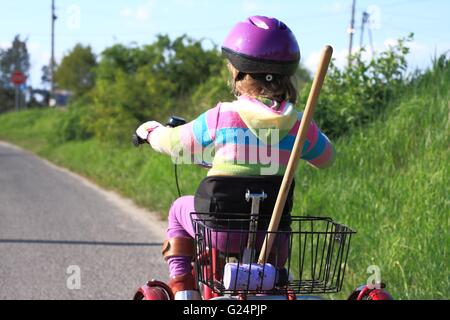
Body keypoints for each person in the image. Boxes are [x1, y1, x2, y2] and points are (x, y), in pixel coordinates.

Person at [135, 16, 335, 300]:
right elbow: (327, 158)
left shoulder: (221, 116)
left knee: (179, 209)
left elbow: (174, 143)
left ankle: (182, 286)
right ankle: (271, 282)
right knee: (275, 253)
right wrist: (305, 140)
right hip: (274, 237)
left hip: (220, 232)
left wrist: (150, 131)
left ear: (239, 72)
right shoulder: (300, 126)